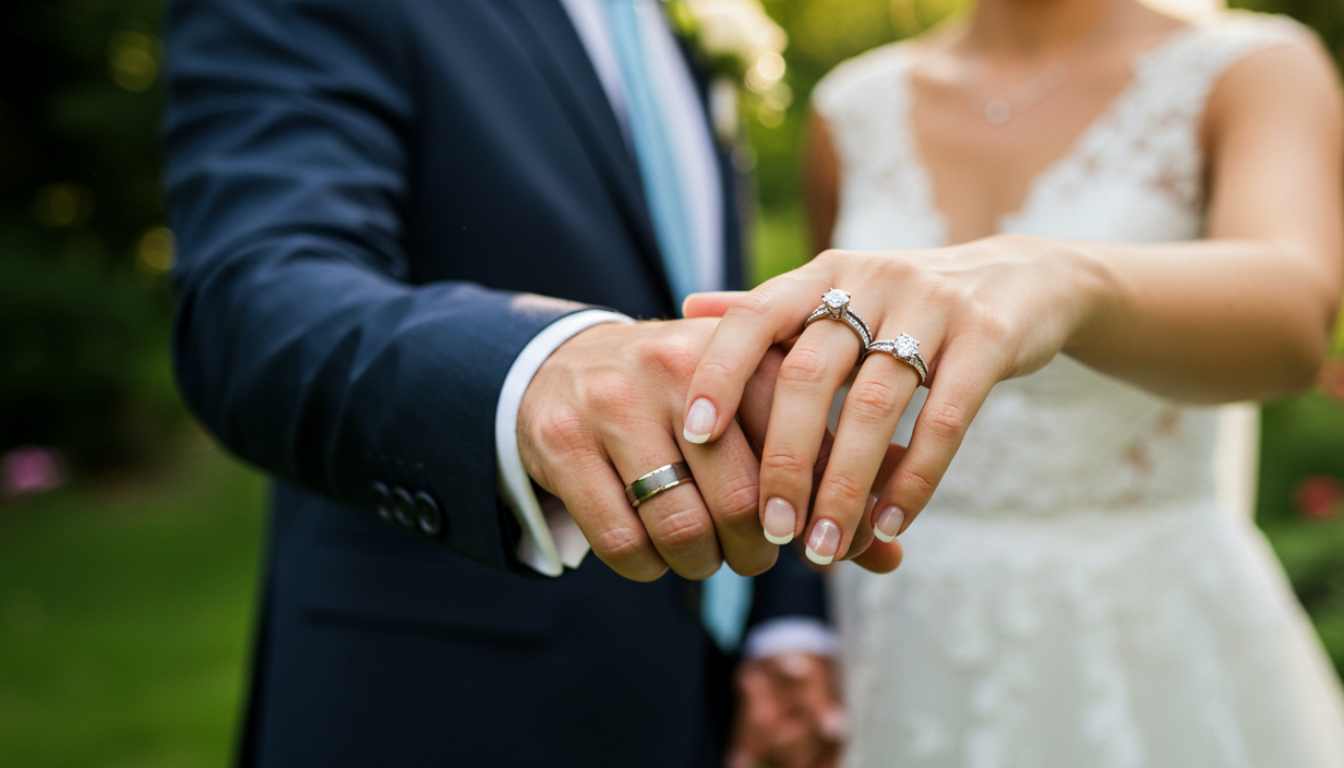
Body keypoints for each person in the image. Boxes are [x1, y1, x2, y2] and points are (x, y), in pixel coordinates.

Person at [681, 0, 1344, 764]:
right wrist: (797, 622)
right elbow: (834, 406)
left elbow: (1294, 320)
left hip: (1139, 634)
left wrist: (1068, 280)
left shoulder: (1253, 68)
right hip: (893, 631)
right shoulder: (854, 107)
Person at [163, 1, 842, 764]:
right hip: (441, 703)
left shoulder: (680, 21)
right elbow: (257, 303)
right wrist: (538, 367)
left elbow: (714, 307)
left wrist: (785, 619)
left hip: (708, 694)